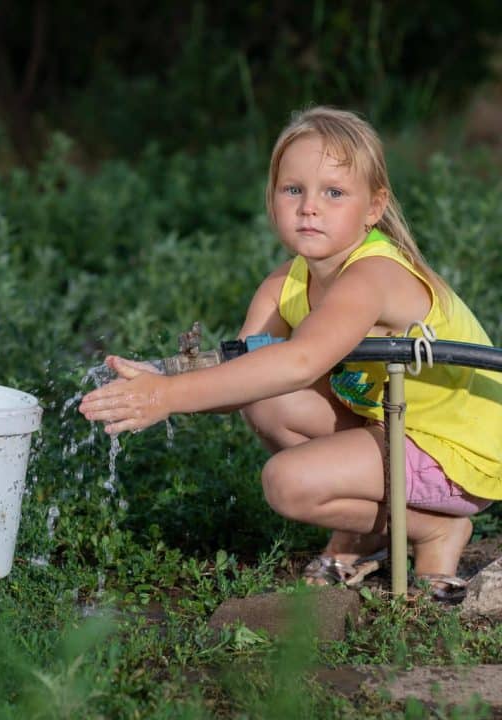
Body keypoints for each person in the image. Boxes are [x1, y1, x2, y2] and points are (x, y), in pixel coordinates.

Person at [79, 106, 502, 600]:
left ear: (374, 207)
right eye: (293, 189)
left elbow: (299, 362)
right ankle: (371, 531)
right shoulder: (286, 283)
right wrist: (155, 380)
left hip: (465, 451)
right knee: (267, 397)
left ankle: (432, 529)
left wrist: (169, 396)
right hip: (398, 428)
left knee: (287, 483)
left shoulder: (372, 276)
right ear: (272, 198)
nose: (309, 207)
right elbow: (245, 373)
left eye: (334, 192)